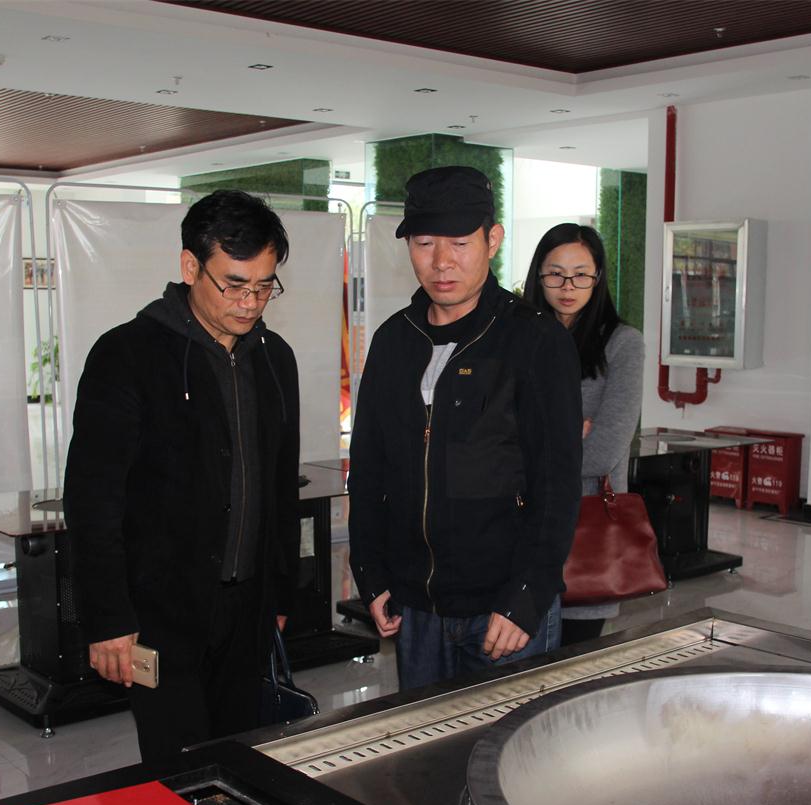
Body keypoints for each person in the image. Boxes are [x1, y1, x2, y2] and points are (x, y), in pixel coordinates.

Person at [63, 190, 300, 766]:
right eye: (234, 285)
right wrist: (109, 619)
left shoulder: (275, 357)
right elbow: (93, 501)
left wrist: (279, 590)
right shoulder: (126, 355)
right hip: (159, 613)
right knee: (179, 769)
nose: (250, 303)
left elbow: (279, 487)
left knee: (243, 760)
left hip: (247, 607)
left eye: (264, 286)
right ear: (190, 266)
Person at [348, 166, 582, 692]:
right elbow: (368, 471)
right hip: (416, 608)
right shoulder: (393, 341)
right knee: (424, 742)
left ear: (492, 240)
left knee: (509, 740)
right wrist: (371, 573)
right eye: (424, 243)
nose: (441, 262)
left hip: (504, 609)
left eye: (459, 242)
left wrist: (526, 597)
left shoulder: (535, 341)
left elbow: (557, 485)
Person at [522, 224, 646, 645]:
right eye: (555, 274)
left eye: (580, 275)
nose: (567, 287)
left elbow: (605, 449)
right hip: (517, 528)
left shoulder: (622, 344)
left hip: (585, 528)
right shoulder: (519, 339)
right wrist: (568, 435)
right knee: (516, 667)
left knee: (570, 665)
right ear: (538, 276)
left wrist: (533, 442)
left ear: (598, 277)